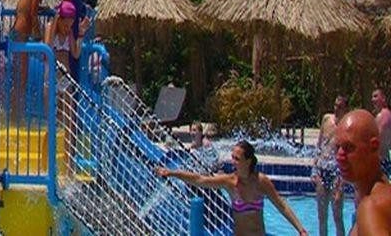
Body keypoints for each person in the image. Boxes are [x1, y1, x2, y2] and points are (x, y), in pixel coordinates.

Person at [156, 140, 308, 236]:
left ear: (248, 161)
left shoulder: (260, 181)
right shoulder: (229, 181)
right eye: (232, 157)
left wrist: (300, 230)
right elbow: (200, 179)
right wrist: (172, 173)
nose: (233, 161)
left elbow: (281, 205)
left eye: (237, 159)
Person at [335, 109, 391, 235]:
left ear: (374, 146)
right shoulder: (383, 197)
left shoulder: (371, 206)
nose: (339, 156)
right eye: (337, 147)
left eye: (349, 147)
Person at [7, 0, 53, 121]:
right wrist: (38, 33)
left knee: (18, 75)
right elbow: (33, 14)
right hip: (22, 33)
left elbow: (28, 8)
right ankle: (16, 115)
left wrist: (42, 8)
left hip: (17, 31)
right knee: (22, 77)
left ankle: (15, 113)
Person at [314, 95, 349, 236]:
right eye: (335, 105)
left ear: (346, 109)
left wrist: (341, 185)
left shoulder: (346, 128)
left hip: (337, 174)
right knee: (322, 216)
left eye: (340, 107)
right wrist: (314, 170)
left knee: (337, 216)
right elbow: (319, 145)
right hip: (322, 170)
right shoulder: (326, 119)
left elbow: (347, 157)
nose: (336, 109)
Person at [372, 89, 391, 178]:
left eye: (376, 96)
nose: (372, 99)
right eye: (372, 97)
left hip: (382, 162)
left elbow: (377, 138)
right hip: (383, 160)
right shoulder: (382, 115)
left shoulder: (384, 115)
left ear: (383, 98)